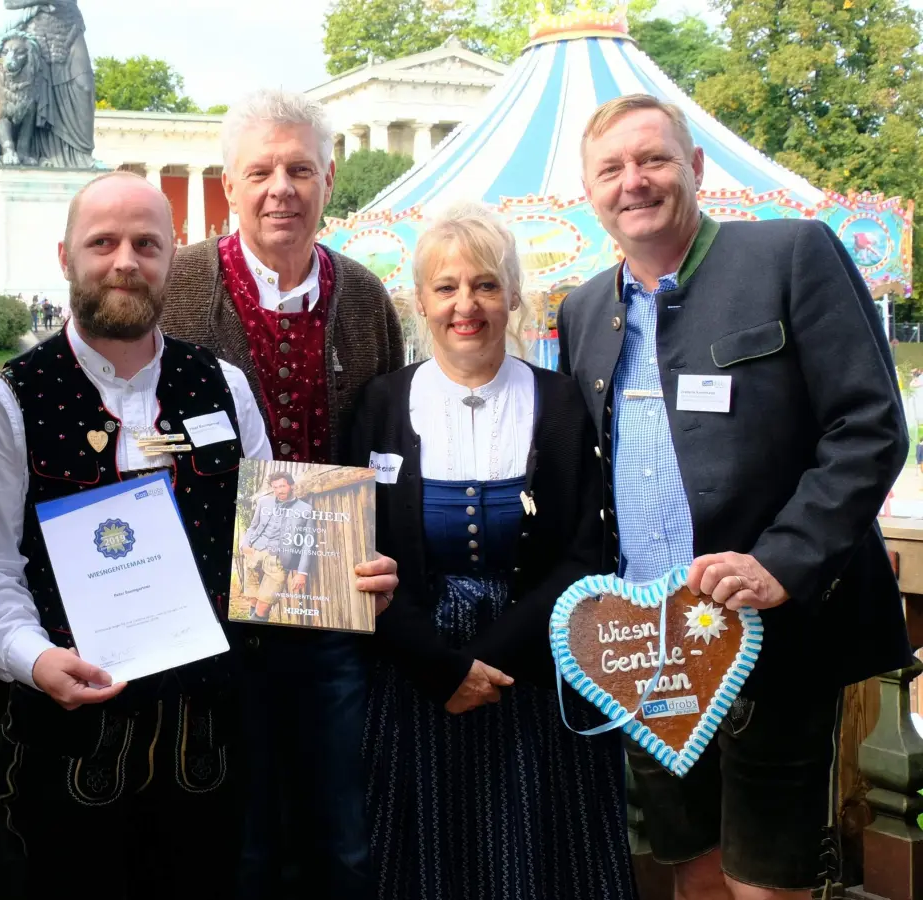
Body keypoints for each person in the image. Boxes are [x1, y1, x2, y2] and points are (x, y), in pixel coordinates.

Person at [559, 94, 910, 900]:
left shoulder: (791, 255)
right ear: (590, 191)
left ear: (696, 168)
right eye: (611, 168)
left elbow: (870, 427)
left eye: (652, 159)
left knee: (768, 882)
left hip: (772, 634)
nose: (634, 182)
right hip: (650, 641)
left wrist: (781, 563)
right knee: (694, 868)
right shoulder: (584, 311)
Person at [0, 170, 271, 898]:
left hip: (206, 741)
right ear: (65, 257)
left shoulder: (224, 385)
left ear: (174, 256)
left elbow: (268, 539)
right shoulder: (13, 400)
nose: (125, 262)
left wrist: (338, 573)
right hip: (70, 744)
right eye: (102, 243)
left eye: (146, 243)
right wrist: (35, 660)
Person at [350, 203, 637, 899]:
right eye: (446, 288)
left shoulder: (563, 402)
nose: (465, 305)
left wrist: (491, 660)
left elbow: (585, 551)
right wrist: (440, 667)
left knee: (543, 855)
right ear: (420, 300)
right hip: (417, 674)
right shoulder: (380, 404)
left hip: (536, 668)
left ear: (512, 296)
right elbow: (357, 552)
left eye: (483, 285)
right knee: (421, 856)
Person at [160, 88, 403, 900]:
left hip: (336, 609)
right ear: (230, 185)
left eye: (300, 168)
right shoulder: (180, 288)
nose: (281, 189)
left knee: (345, 826)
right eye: (260, 171)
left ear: (330, 178)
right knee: (242, 830)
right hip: (215, 607)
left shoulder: (365, 297)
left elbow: (392, 443)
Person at [237, 470, 320, 620]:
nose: (278, 491)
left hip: (279, 561)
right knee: (253, 600)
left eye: (282, 486)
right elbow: (253, 526)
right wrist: (244, 544)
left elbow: (309, 543)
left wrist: (302, 573)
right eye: (275, 487)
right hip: (255, 553)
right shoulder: (264, 502)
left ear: (292, 486)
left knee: (263, 606)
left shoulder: (305, 510)